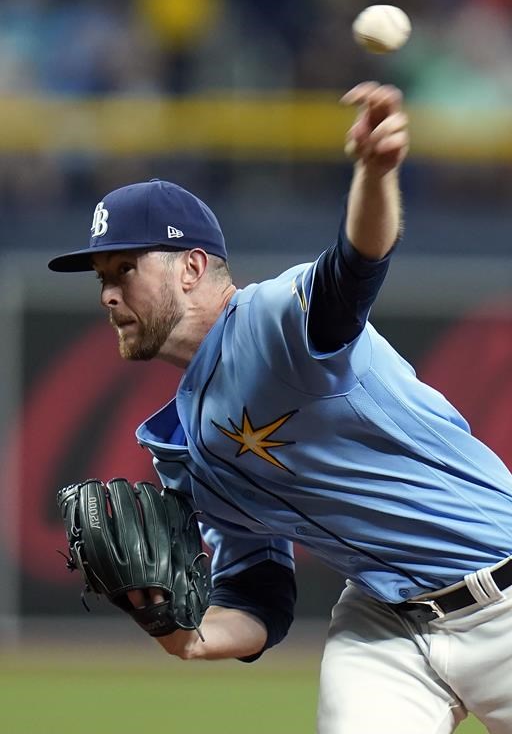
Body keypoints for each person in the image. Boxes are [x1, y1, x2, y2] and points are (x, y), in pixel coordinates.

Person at [48, 82, 512, 734]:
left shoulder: (272, 321)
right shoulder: (181, 445)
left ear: (191, 266)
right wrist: (186, 635)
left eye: (125, 268)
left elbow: (355, 270)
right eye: (102, 277)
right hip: (384, 623)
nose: (108, 294)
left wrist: (376, 174)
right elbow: (258, 593)